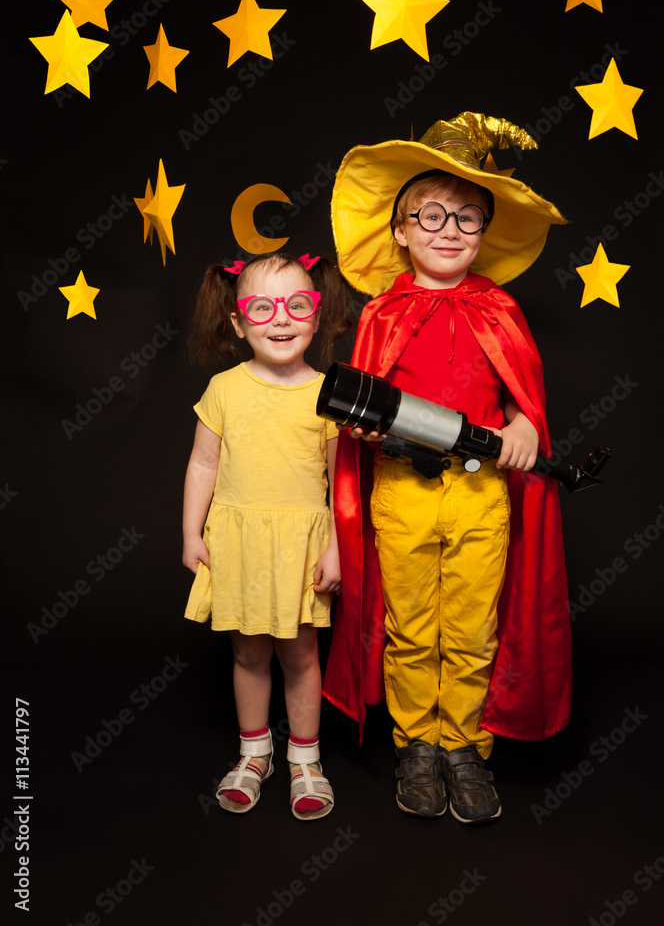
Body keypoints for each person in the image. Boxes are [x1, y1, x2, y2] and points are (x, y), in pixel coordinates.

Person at [323, 113, 572, 824]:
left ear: (485, 231)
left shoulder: (499, 307)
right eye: (428, 214)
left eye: (466, 216)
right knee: (410, 624)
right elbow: (360, 407)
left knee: (469, 624)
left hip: (480, 495)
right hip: (400, 495)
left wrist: (525, 423)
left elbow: (525, 400)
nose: (447, 228)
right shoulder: (382, 312)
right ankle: (417, 745)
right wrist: (366, 433)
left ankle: (464, 746)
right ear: (399, 229)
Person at [183, 251, 350, 819]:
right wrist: (191, 533)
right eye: (263, 307)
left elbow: (339, 483)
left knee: (301, 655)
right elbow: (204, 464)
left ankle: (306, 760)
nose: (281, 319)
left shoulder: (329, 394)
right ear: (237, 321)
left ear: (316, 314)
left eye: (296, 305)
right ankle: (255, 753)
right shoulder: (224, 388)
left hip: (300, 547)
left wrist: (335, 546)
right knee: (248, 652)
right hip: (240, 543)